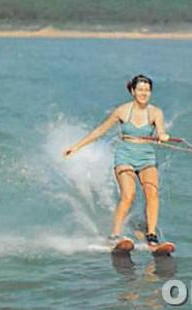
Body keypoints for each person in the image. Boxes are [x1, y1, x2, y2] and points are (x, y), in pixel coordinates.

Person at [63, 74, 170, 248]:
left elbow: (160, 131)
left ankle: (151, 235)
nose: (144, 93)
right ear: (133, 91)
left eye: (147, 90)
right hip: (125, 155)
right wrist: (76, 147)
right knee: (129, 195)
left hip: (146, 156)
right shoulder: (122, 111)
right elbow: (100, 131)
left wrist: (162, 136)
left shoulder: (156, 112)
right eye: (140, 89)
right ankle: (114, 235)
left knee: (152, 193)